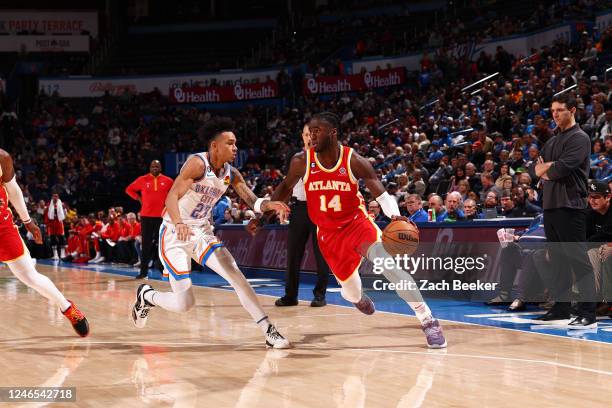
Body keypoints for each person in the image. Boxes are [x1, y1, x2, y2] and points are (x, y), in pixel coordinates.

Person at [265, 112, 446, 348]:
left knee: (389, 267)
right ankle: (358, 298)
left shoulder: (353, 160)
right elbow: (284, 189)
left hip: (357, 225)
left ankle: (428, 320)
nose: (312, 136)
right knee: (350, 293)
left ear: (333, 133)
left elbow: (381, 194)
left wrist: (395, 216)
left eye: (317, 131)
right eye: (310, 132)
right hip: (329, 235)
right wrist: (263, 213)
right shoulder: (301, 161)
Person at [130, 117, 291, 349]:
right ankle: (147, 296)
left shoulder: (231, 173)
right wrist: (179, 222)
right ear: (214, 146)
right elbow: (171, 196)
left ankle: (268, 330)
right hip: (175, 232)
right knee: (185, 303)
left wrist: (270, 205)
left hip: (202, 232)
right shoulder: (197, 164)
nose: (235, 148)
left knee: (234, 273)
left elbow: (252, 200)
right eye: (230, 143)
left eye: (236, 144)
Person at [0, 149, 89, 337]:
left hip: (2, 227)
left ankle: (67, 308)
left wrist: (28, 221)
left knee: (29, 277)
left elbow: (13, 189)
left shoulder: (3, 157)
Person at [528, 93, 598, 328]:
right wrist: (546, 168)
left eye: (560, 110)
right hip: (551, 206)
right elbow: (533, 171)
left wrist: (547, 169)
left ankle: (589, 313)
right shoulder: (551, 141)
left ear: (572, 111)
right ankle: (561, 308)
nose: (555, 115)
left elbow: (561, 170)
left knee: (578, 261)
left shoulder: (580, 138)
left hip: (571, 206)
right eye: (553, 111)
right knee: (557, 261)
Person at [262, 124, 331, 308]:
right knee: (293, 254)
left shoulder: (325, 157)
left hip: (321, 209)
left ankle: (320, 295)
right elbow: (287, 185)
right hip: (299, 208)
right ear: (302, 136)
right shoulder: (296, 158)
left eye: (313, 134)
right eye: (307, 134)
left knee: (321, 254)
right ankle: (290, 296)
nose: (310, 137)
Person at [125, 160, 174, 279]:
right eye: (153, 166)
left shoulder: (168, 181)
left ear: (161, 168)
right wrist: (138, 198)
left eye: (157, 166)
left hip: (162, 217)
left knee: (162, 245)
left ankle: (164, 269)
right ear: (149, 167)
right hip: (146, 217)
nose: (155, 168)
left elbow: (175, 193)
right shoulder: (142, 179)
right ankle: (143, 272)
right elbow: (129, 189)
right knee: (145, 245)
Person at [45, 193, 66, 260]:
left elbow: (65, 214)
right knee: (53, 238)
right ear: (52, 197)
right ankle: (55, 255)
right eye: (54, 196)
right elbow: (46, 214)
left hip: (59, 222)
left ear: (58, 197)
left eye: (56, 196)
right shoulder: (49, 204)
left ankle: (62, 254)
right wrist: (47, 223)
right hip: (51, 223)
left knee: (61, 238)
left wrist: (64, 209)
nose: (55, 197)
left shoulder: (62, 204)